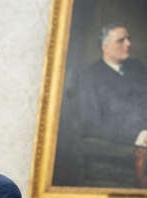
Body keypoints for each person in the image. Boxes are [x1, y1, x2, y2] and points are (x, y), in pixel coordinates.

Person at [54, 23, 147, 188]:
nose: (128, 44)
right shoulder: (89, 77)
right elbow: (91, 124)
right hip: (122, 147)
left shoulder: (138, 69)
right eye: (121, 41)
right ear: (105, 47)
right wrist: (138, 136)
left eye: (128, 39)